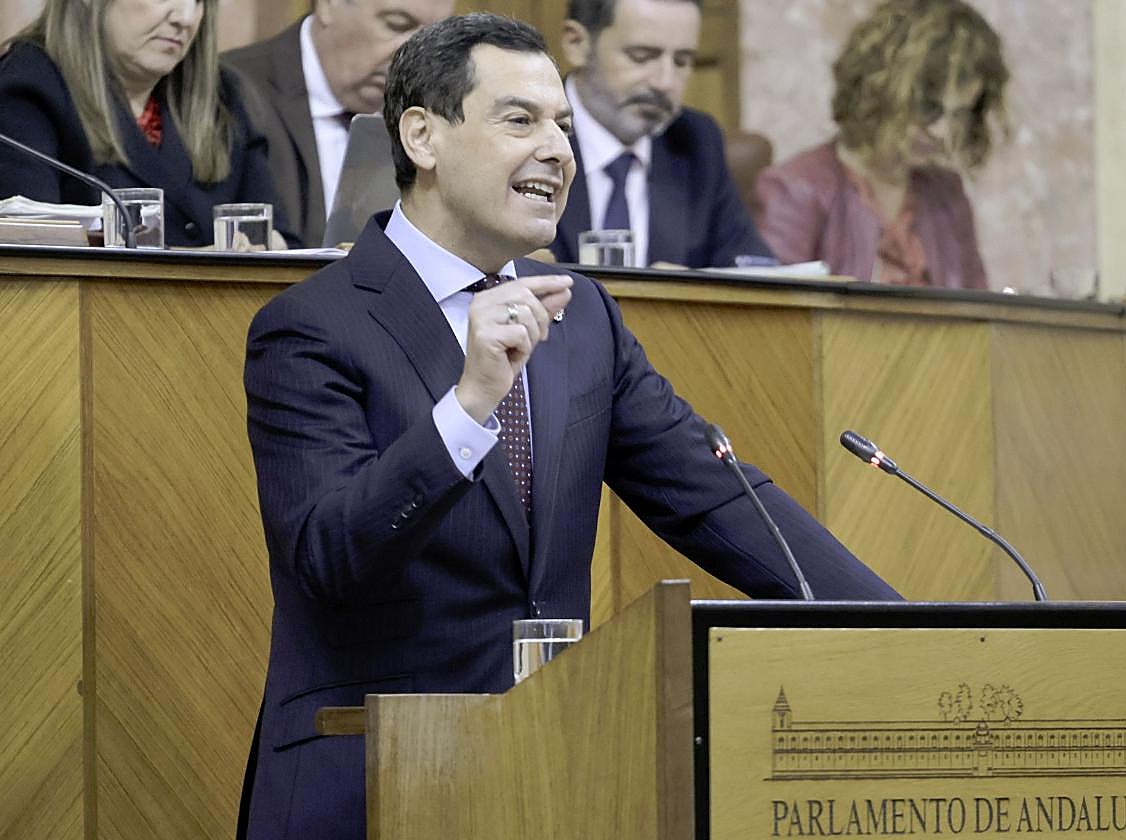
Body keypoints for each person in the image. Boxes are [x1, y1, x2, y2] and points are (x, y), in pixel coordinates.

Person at [240, 12, 899, 838]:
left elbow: (720, 500)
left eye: (561, 123)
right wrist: (468, 405)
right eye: (520, 120)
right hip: (367, 785)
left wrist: (909, 633)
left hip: (554, 779)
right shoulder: (312, 327)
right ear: (422, 137)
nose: (558, 149)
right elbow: (328, 559)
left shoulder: (581, 319)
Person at [0, 0, 293, 249]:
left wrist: (259, 246)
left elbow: (280, 238)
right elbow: (33, 254)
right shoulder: (29, 86)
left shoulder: (222, 96)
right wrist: (200, 266)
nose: (185, 18)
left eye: (199, 0)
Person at [755, 0, 1008, 288]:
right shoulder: (795, 190)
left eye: (960, 114)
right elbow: (776, 324)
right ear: (879, 91)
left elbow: (979, 317)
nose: (942, 132)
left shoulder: (948, 194)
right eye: (928, 108)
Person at [548, 0, 773, 268]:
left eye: (682, 61)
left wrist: (690, 291)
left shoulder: (696, 141)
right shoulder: (527, 135)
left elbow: (751, 268)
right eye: (642, 56)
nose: (664, 82)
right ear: (577, 44)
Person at [223, 0, 454, 248]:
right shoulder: (227, 91)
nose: (414, 57)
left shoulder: (438, 107)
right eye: (397, 25)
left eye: (430, 39)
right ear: (328, 5)